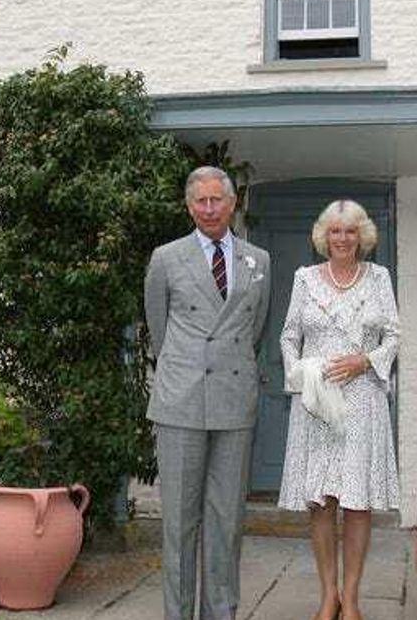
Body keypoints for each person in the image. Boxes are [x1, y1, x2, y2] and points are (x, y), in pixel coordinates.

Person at [143, 166, 272, 620]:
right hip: (180, 402)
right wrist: (187, 367)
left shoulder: (259, 259)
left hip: (234, 403)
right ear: (189, 205)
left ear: (233, 203)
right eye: (201, 200)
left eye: (218, 199)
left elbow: (254, 329)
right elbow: (158, 329)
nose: (210, 208)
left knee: (226, 522)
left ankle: (222, 613)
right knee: (179, 523)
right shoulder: (165, 257)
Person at [278, 199, 400, 620]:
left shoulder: (379, 277)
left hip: (363, 400)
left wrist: (364, 360)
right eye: (335, 230)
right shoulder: (305, 279)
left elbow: (394, 336)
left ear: (362, 236)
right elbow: (289, 335)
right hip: (316, 405)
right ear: (323, 236)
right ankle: (328, 596)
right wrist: (300, 373)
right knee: (322, 501)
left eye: (350, 231)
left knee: (356, 502)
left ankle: (353, 599)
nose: (342, 238)